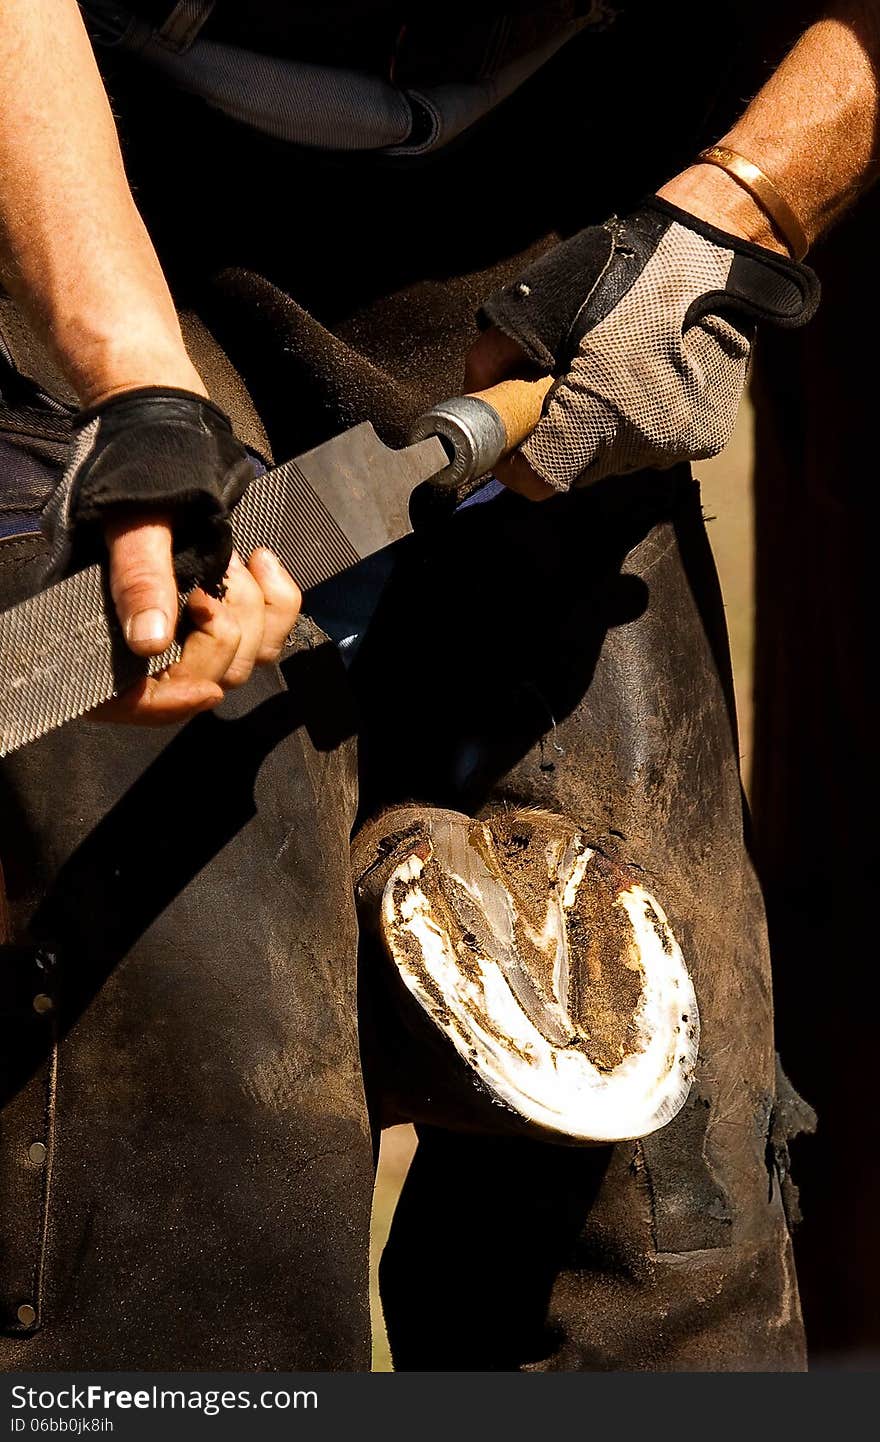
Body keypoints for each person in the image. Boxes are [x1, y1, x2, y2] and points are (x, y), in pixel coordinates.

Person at [0, 0, 874, 1369]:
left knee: (667, 1215)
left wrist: (738, 211)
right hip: (82, 171)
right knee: (191, 1214)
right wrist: (128, 374)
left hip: (542, 238)